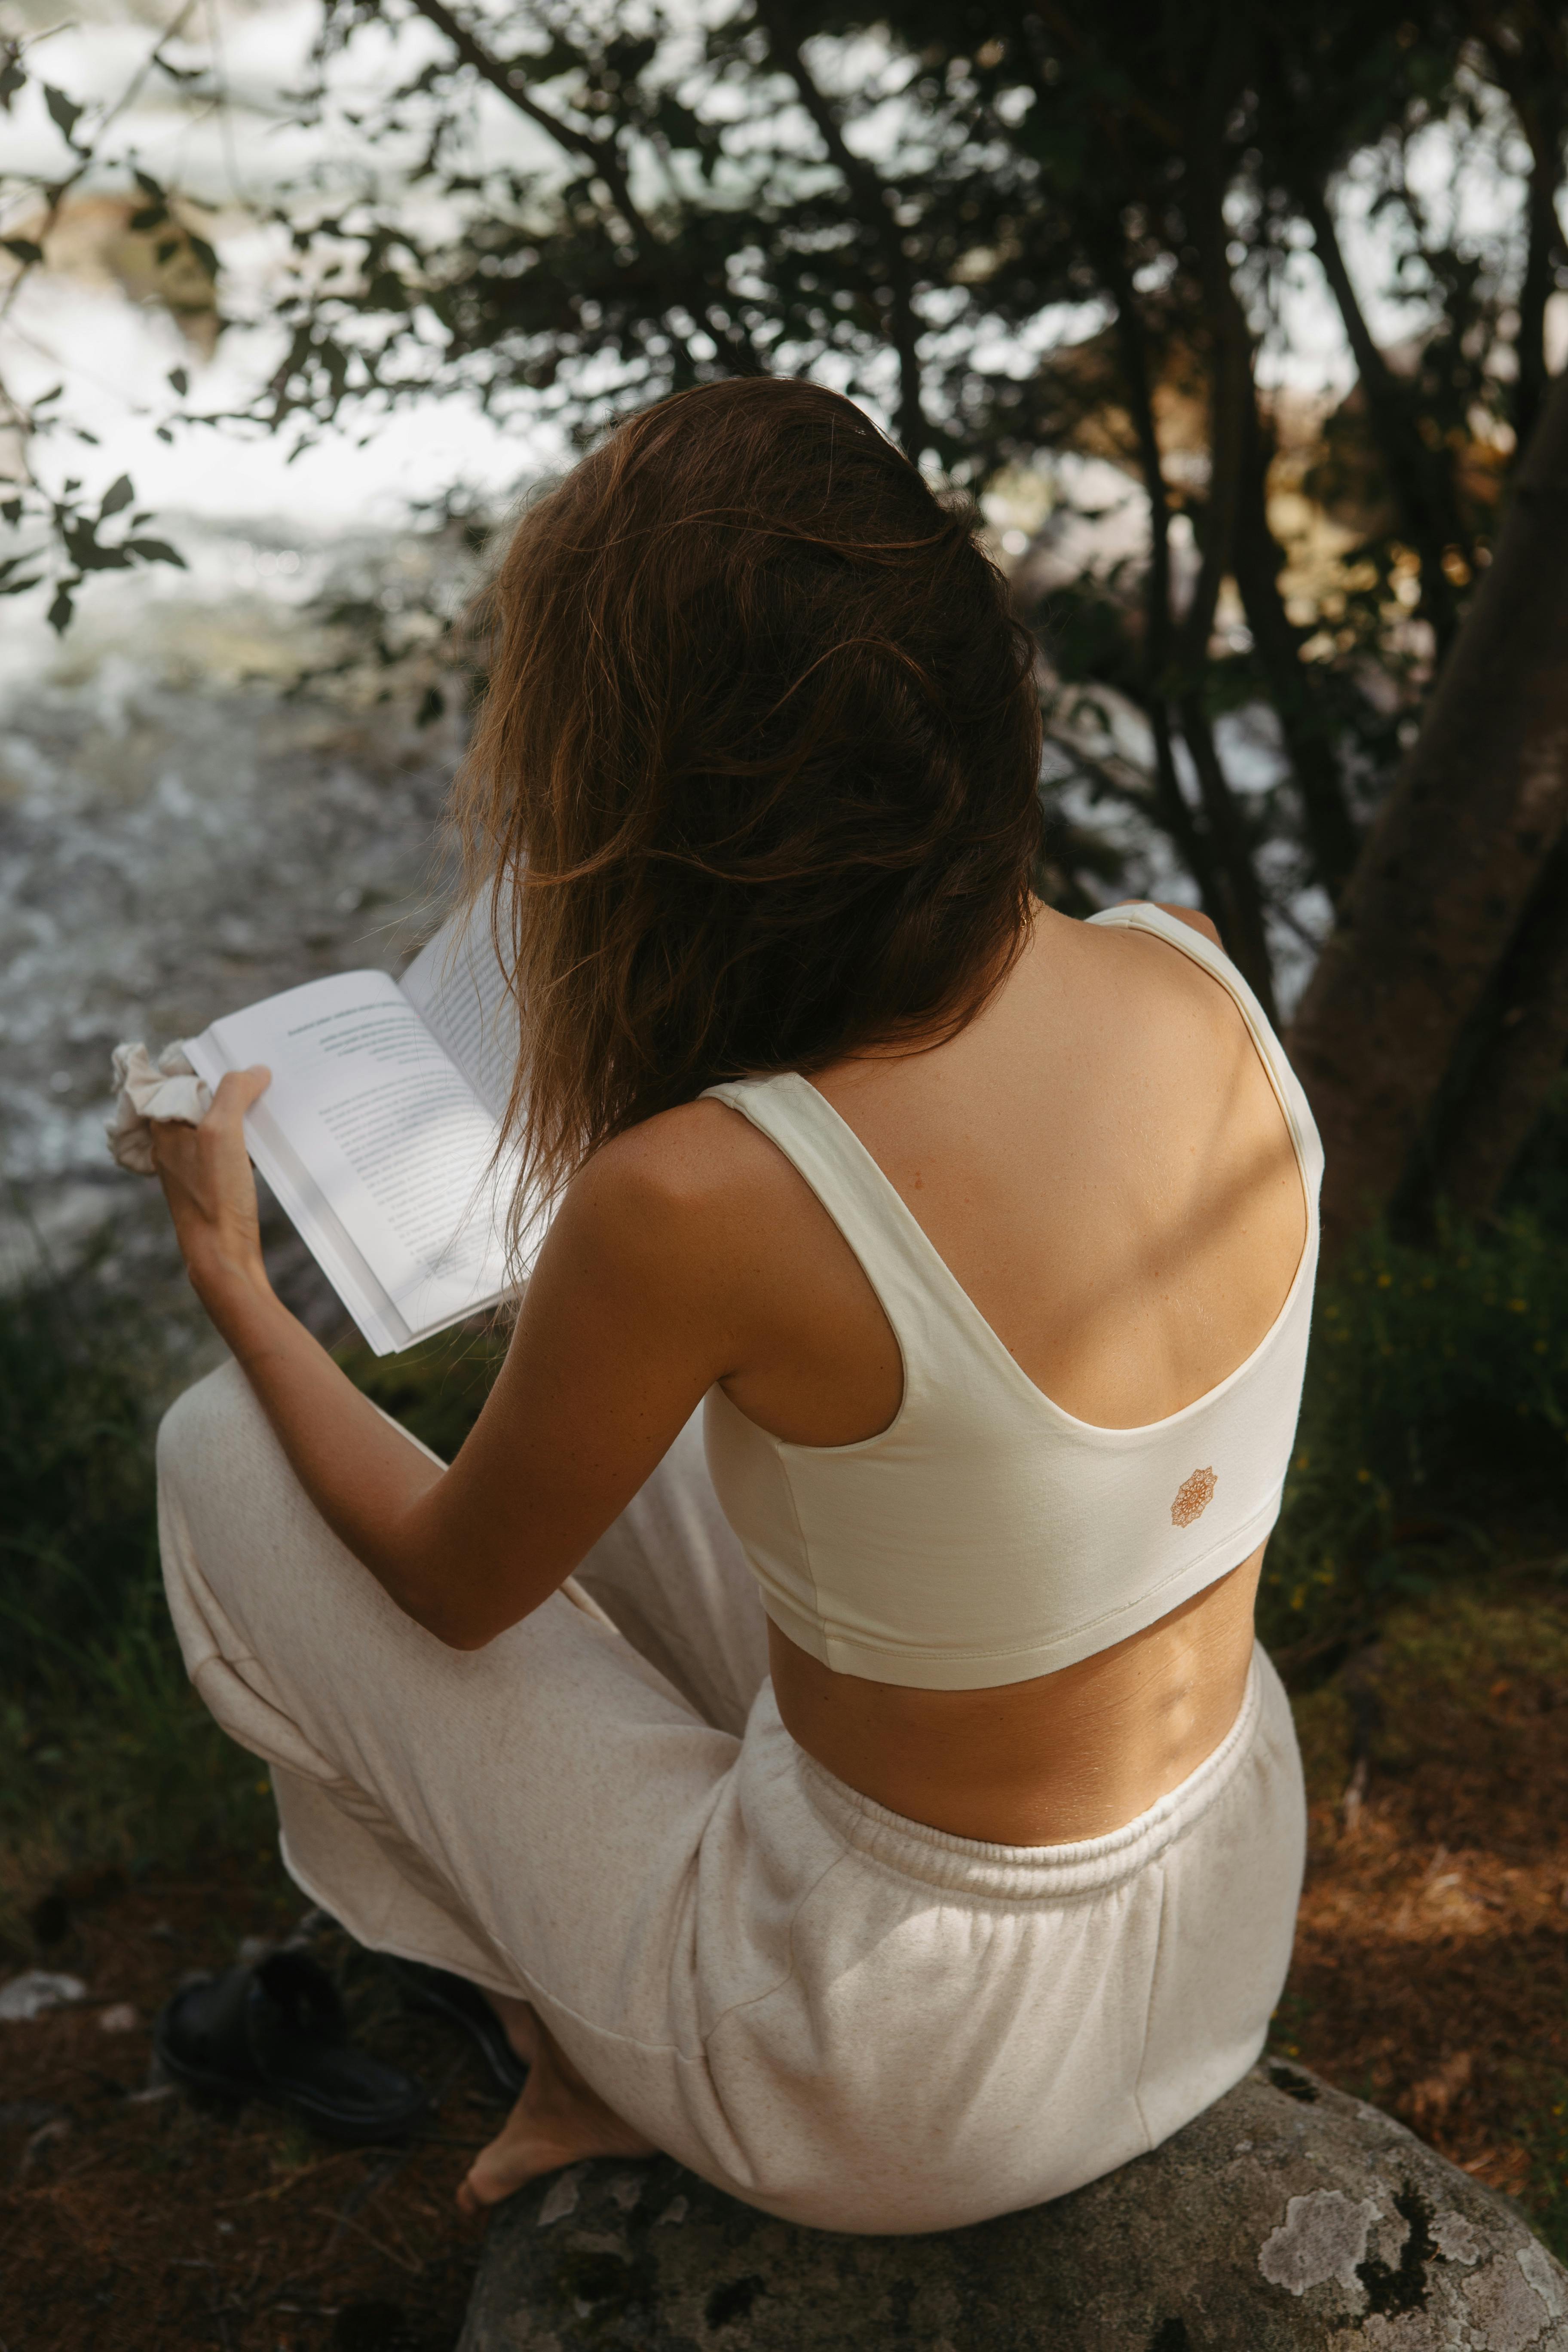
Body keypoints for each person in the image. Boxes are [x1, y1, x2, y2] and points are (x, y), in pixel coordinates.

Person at [149, 377, 1317, 2235]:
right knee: (743, 1415)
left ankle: (590, 2052)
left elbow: (455, 1583)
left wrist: (233, 1274)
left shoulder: (702, 1200)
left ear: (663, 807)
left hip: (907, 2074)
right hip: (1219, 1904)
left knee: (224, 1448)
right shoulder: (1188, 976)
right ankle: (616, 2000)